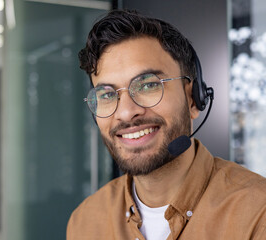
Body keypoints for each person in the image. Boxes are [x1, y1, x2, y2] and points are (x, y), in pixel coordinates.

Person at [66, 9, 266, 240]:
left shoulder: (257, 214)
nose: (126, 112)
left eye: (148, 86)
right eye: (107, 94)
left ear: (193, 99)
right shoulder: (86, 222)